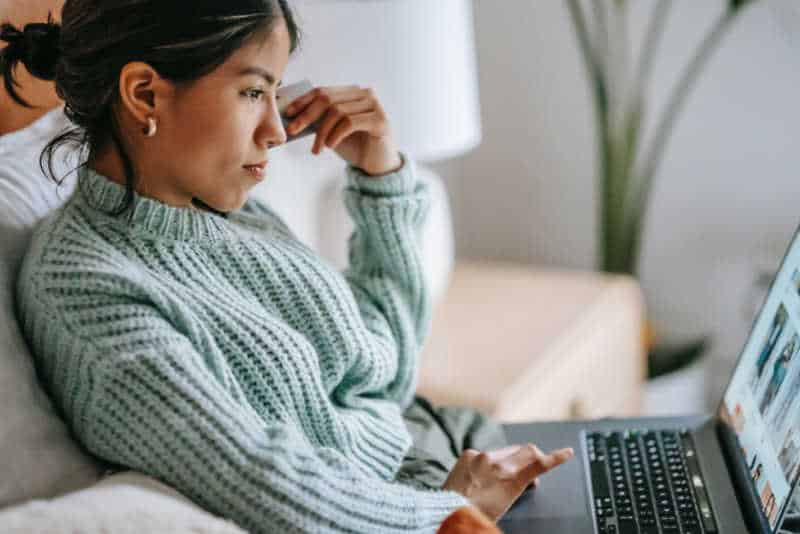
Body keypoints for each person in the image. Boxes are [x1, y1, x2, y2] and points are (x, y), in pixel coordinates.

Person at [1, 2, 574, 533]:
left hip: (432, 453)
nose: (276, 132)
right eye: (253, 92)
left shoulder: (221, 211)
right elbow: (261, 480)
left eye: (276, 94)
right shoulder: (83, 289)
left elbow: (383, 374)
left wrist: (382, 179)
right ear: (145, 94)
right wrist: (454, 512)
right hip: (407, 508)